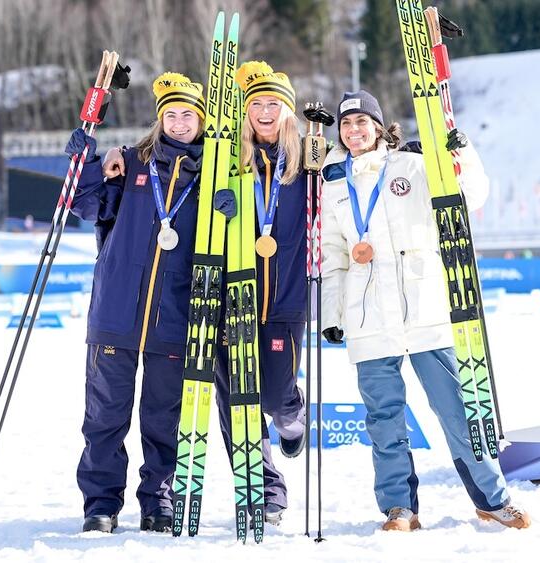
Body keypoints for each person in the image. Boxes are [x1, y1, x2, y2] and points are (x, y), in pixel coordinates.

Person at [319, 90, 531, 532]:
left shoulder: (412, 166)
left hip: (426, 312)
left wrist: (462, 151)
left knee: (458, 410)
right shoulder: (332, 181)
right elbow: (333, 253)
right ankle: (400, 508)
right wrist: (332, 316)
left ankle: (493, 500)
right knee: (384, 419)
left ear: (379, 127)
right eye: (346, 124)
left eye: (362, 122)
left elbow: (469, 195)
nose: (354, 131)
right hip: (368, 317)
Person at [67, 71, 207, 534]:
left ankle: (158, 501)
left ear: (202, 120)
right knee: (105, 418)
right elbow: (85, 204)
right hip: (116, 315)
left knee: (162, 420)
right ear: (159, 119)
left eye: (189, 114)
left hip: (176, 317)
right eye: (172, 114)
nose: (180, 122)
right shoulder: (128, 165)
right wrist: (85, 156)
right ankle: (100, 505)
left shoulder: (213, 178)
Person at [210, 60, 309, 525]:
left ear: (288, 112)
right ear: (245, 112)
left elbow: (358, 168)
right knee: (237, 401)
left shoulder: (309, 162)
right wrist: (219, 203)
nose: (265, 112)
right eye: (257, 104)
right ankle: (264, 488)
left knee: (273, 398)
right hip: (237, 303)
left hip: (286, 302)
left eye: (275, 104)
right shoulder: (231, 162)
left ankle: (294, 414)